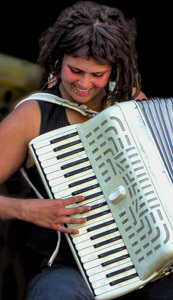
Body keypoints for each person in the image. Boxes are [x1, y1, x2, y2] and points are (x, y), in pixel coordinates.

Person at [0, 1, 172, 299]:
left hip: (150, 262)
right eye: (75, 70)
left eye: (98, 74)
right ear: (58, 59)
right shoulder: (32, 115)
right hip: (72, 270)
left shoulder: (129, 102)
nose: (84, 83)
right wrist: (25, 209)